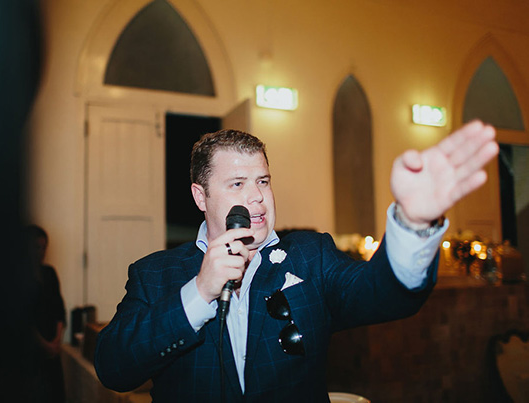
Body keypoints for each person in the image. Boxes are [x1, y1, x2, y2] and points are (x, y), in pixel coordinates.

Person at [94, 121, 498, 402]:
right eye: (237, 184)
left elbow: (384, 293)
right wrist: (199, 293)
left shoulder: (310, 256)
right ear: (201, 197)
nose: (257, 197)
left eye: (263, 181)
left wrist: (413, 223)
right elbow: (114, 369)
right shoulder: (154, 274)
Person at [27, 225, 67, 403]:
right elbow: (23, 319)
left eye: (44, 247)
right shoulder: (21, 279)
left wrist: (56, 340)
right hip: (31, 351)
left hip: (52, 348)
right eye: (36, 247)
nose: (41, 252)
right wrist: (43, 344)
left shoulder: (49, 273)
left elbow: (59, 309)